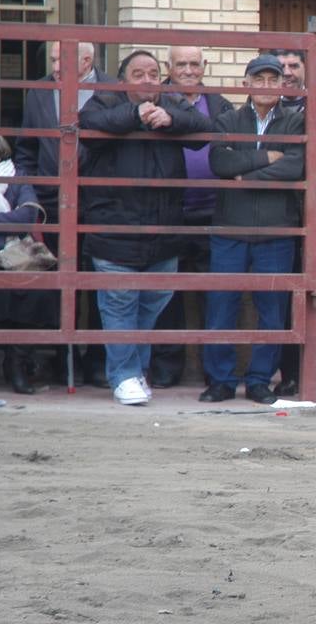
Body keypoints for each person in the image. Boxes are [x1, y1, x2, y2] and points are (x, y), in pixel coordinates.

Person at [78, 50, 214, 406]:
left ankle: (133, 370)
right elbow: (87, 128)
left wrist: (170, 119)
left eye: (153, 73)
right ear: (123, 79)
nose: (148, 80)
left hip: (164, 232)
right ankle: (123, 376)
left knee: (152, 302)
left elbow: (205, 132)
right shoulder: (105, 99)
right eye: (138, 74)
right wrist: (135, 115)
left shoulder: (171, 103)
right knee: (120, 305)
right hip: (114, 230)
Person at [198, 55, 305, 406]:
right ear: (246, 84)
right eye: (259, 79)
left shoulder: (296, 121)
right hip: (229, 228)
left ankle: (260, 381)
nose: (266, 86)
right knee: (220, 306)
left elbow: (296, 165)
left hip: (276, 231)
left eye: (273, 80)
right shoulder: (228, 118)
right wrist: (267, 157)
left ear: (282, 85)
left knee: (272, 309)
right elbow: (220, 163)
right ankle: (221, 381)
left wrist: (247, 176)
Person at [14, 40, 112, 386]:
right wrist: (31, 188)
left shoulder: (110, 90)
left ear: (87, 60)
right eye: (53, 59)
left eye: (62, 60)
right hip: (52, 203)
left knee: (99, 283)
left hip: (99, 204)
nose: (55, 66)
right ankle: (62, 357)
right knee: (58, 283)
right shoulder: (39, 92)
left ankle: (98, 361)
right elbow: (26, 146)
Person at [149, 46, 234, 389]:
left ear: (204, 67)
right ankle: (168, 367)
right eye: (180, 64)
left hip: (213, 211)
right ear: (168, 67)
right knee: (167, 293)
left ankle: (216, 372)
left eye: (194, 64)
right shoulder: (156, 101)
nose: (187, 70)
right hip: (169, 210)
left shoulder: (221, 104)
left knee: (213, 294)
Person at [272, 46, 316, 396]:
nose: (287, 71)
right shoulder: (266, 106)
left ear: (305, 69)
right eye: (281, 65)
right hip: (281, 217)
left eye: (294, 64)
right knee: (285, 299)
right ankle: (290, 375)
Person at [0, 135, 51, 394]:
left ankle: (17, 361)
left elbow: (27, 215)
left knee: (33, 290)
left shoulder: (16, 177)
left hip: (13, 252)